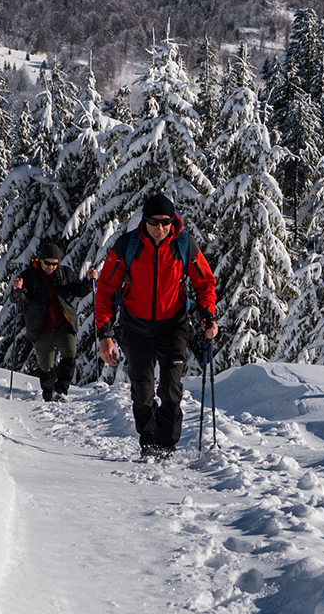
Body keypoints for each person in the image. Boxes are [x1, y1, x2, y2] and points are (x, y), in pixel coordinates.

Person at [95, 193, 219, 459]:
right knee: (142, 391)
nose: (160, 227)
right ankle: (148, 441)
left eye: (165, 221)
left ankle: (167, 445)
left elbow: (205, 283)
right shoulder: (127, 245)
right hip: (134, 327)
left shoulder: (184, 245)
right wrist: (105, 335)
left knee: (171, 389)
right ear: (145, 220)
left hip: (173, 326)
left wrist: (207, 315)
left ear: (173, 220)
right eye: (154, 221)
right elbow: (105, 290)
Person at [13, 241, 88, 402]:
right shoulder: (28, 276)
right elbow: (20, 299)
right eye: (48, 263)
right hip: (41, 328)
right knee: (45, 364)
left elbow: (78, 290)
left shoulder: (65, 274)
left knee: (70, 352)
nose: (51, 267)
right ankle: (48, 392)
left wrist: (89, 282)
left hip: (63, 325)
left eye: (55, 264)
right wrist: (17, 291)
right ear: (40, 260)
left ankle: (61, 389)